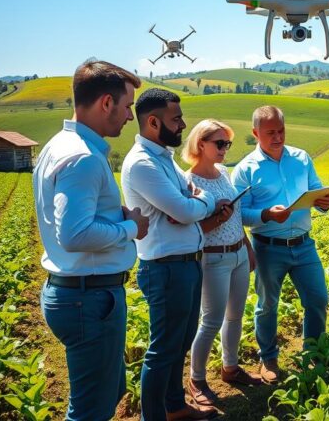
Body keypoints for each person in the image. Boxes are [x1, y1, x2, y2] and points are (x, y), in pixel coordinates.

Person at [34, 59, 149, 421]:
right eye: (128, 105)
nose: (130, 116)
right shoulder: (82, 158)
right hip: (88, 300)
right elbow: (74, 233)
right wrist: (132, 229)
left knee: (109, 390)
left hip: (81, 294)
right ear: (105, 103)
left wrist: (118, 219)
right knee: (89, 412)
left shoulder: (58, 146)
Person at [122, 89, 230, 421]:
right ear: (153, 122)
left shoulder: (163, 157)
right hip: (166, 268)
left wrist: (192, 203)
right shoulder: (142, 164)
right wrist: (202, 203)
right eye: (176, 119)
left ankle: (174, 407)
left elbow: (187, 202)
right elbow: (184, 209)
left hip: (186, 263)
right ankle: (153, 416)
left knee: (179, 343)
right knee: (162, 351)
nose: (183, 124)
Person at [232, 105, 329, 384]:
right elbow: (239, 213)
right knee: (267, 305)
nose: (278, 137)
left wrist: (324, 202)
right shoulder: (245, 170)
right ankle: (268, 358)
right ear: (255, 133)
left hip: (304, 244)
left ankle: (312, 352)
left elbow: (316, 189)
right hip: (268, 246)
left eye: (281, 131)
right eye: (270, 133)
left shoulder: (301, 158)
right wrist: (266, 214)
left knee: (317, 299)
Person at [183, 120, 262, 407]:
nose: (224, 149)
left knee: (235, 316)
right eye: (219, 143)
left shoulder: (224, 173)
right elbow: (188, 227)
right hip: (213, 257)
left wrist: (247, 247)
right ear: (200, 144)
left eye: (227, 144)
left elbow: (237, 215)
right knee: (211, 321)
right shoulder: (188, 181)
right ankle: (197, 378)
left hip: (238, 253)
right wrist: (218, 217)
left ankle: (230, 368)